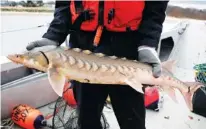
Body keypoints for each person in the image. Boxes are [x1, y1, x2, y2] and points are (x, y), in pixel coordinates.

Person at [26, 1, 169, 129]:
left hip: (129, 48)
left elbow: (156, 7)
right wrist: (53, 35)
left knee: (132, 120)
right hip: (82, 50)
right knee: (87, 119)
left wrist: (148, 44)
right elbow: (64, 5)